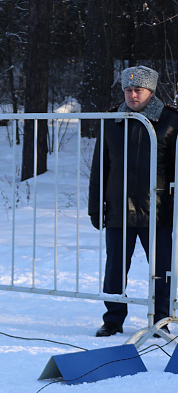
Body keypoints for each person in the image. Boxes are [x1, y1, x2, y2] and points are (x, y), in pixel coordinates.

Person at [88, 65, 178, 337]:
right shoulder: (112, 120)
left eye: (138, 90)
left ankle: (160, 319)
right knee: (114, 267)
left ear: (151, 91)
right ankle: (113, 319)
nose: (132, 95)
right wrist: (96, 206)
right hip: (119, 209)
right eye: (128, 90)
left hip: (159, 210)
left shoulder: (171, 120)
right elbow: (100, 167)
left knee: (162, 269)